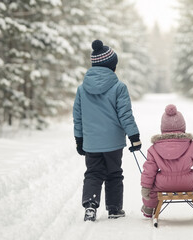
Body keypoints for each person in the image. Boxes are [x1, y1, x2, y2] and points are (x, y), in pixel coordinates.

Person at [73, 39, 142, 222]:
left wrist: (79, 139)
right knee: (114, 174)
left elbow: (78, 117)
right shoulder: (119, 87)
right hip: (113, 143)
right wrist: (134, 137)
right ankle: (114, 209)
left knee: (93, 173)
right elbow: (125, 115)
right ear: (111, 66)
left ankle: (90, 205)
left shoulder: (82, 90)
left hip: (91, 143)